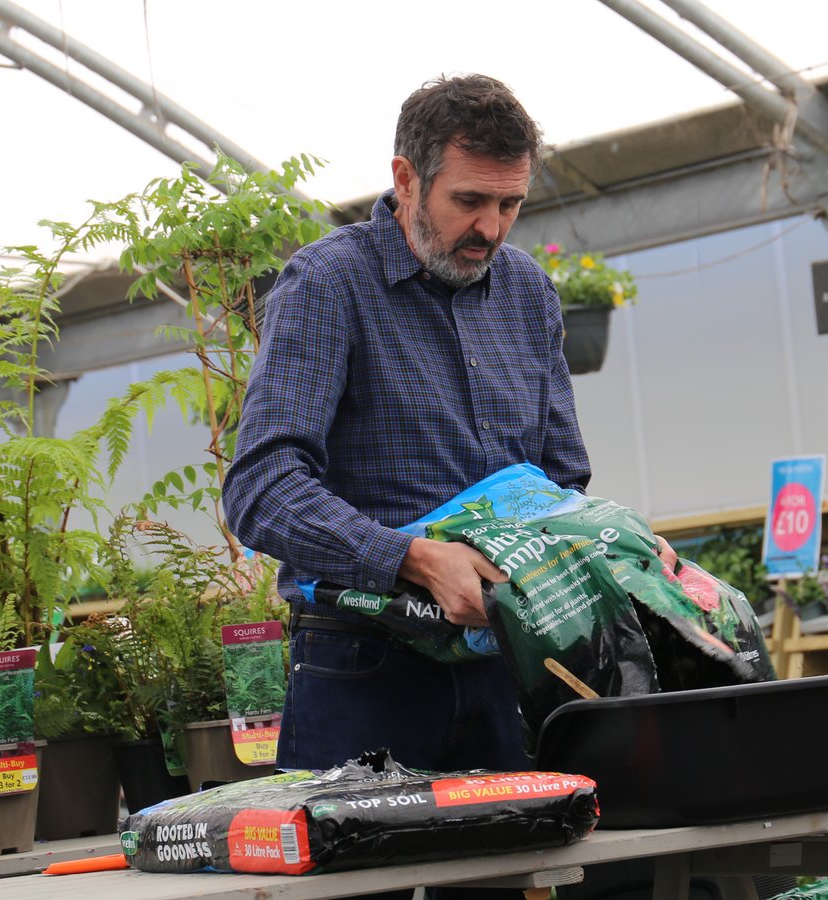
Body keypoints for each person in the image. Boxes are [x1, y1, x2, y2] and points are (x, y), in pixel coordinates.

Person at [223, 73, 675, 779]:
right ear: (405, 179)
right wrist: (416, 559)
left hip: (505, 660)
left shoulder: (527, 293)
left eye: (509, 204)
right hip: (364, 667)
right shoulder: (327, 286)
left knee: (511, 872)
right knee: (362, 881)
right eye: (469, 200)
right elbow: (262, 489)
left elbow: (561, 478)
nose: (490, 228)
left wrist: (618, 551)